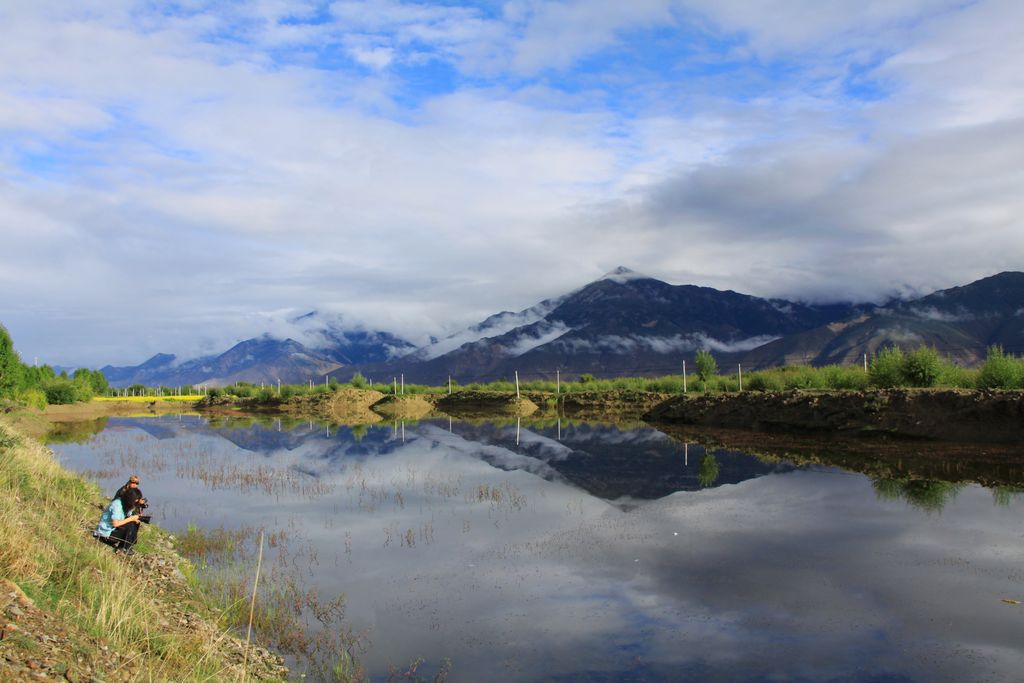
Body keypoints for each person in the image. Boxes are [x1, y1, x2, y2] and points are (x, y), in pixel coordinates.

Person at [94, 487, 143, 555]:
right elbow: (115, 524)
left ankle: (127, 546)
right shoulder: (117, 505)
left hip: (112, 531)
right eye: (135, 501)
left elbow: (128, 516)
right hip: (105, 535)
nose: (135, 503)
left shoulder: (125, 504)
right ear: (130, 499)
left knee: (134, 523)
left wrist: (135, 517)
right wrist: (131, 519)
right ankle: (124, 548)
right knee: (130, 524)